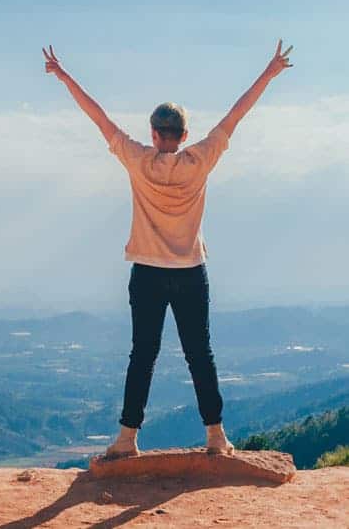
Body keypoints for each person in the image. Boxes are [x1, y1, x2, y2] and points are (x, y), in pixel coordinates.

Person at [42, 40, 293, 458]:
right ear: (185, 135)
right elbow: (236, 115)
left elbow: (99, 118)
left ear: (154, 135)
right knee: (200, 353)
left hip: (148, 271)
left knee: (143, 354)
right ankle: (216, 436)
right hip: (191, 270)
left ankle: (127, 438)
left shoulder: (138, 160)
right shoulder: (201, 159)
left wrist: (65, 76)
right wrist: (269, 72)